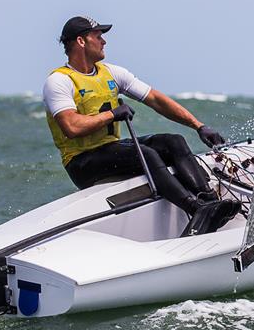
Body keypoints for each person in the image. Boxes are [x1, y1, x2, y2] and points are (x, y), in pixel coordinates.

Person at [42, 15, 239, 236]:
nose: (104, 41)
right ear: (81, 41)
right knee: (145, 154)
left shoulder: (111, 73)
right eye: (98, 36)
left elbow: (155, 99)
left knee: (173, 142)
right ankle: (195, 209)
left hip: (110, 150)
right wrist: (112, 115)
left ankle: (211, 202)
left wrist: (198, 126)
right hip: (82, 162)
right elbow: (72, 126)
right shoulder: (59, 81)